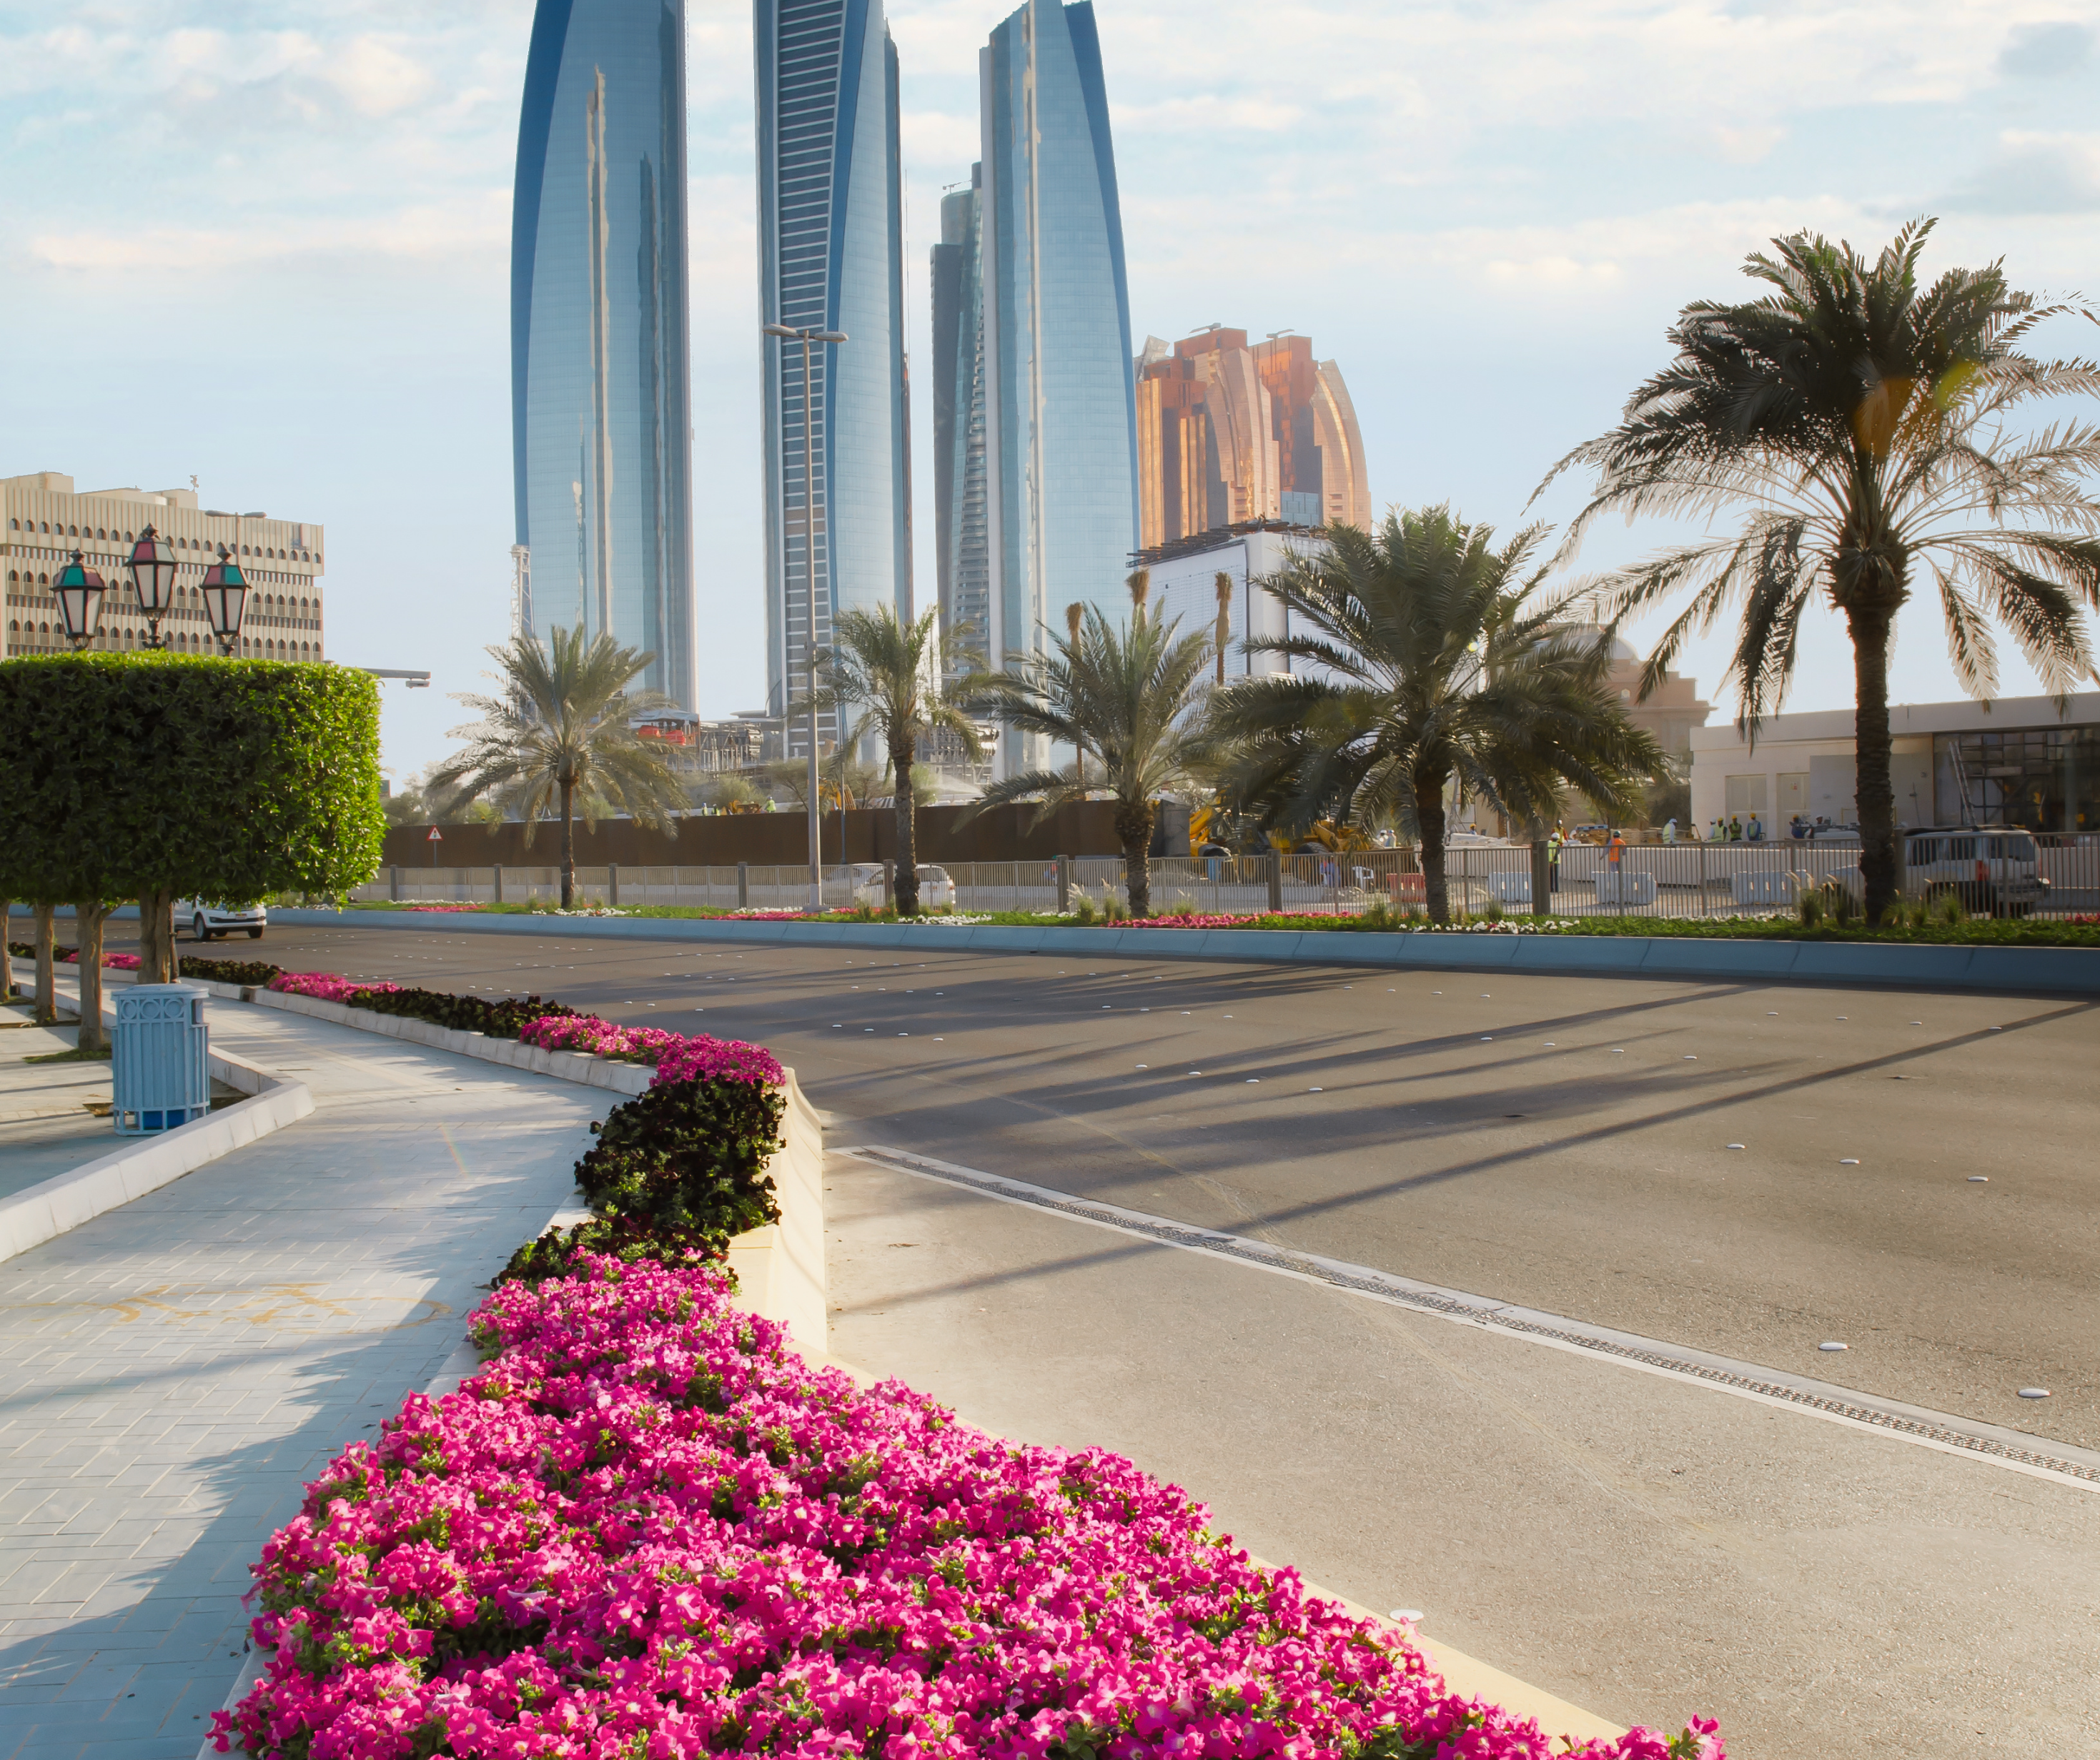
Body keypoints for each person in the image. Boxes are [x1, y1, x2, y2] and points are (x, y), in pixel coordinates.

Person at [1546, 824, 1564, 894]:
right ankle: (1557, 889)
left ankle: (1552, 889)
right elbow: (1556, 854)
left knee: (1551, 876)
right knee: (1556, 876)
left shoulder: (1549, 844)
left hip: (1550, 861)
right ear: (1558, 839)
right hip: (1556, 862)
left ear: (1552, 838)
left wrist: (1550, 862)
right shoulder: (1557, 845)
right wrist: (1553, 862)